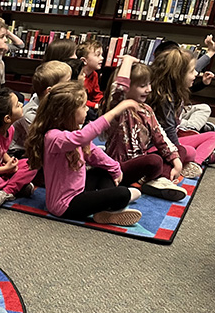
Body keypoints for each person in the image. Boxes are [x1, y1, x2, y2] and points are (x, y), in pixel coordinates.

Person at [26, 82, 142, 226]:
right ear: (67, 113)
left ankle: (109, 208)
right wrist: (114, 112)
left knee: (103, 171)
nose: (87, 109)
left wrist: (115, 168)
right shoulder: (53, 137)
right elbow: (83, 137)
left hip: (79, 191)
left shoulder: (72, 132)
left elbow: (94, 153)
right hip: (64, 206)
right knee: (123, 193)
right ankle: (115, 204)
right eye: (83, 106)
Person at [102, 54, 189, 201]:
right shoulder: (118, 109)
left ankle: (156, 181)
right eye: (142, 86)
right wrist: (128, 61)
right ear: (128, 87)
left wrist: (176, 160)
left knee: (179, 150)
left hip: (140, 162)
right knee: (154, 161)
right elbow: (118, 89)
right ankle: (156, 180)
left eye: (149, 84)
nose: (149, 90)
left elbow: (160, 136)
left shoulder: (146, 109)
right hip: (120, 167)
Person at [148, 48, 215, 169]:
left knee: (213, 136)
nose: (196, 74)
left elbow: (196, 66)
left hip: (172, 137)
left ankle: (194, 163)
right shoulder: (165, 99)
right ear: (179, 75)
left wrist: (210, 53)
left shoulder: (173, 87)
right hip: (157, 146)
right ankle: (197, 159)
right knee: (190, 151)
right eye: (192, 71)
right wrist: (177, 156)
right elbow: (169, 132)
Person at [8, 60, 72, 158]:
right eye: (67, 83)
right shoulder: (30, 113)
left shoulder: (54, 104)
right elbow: (44, 142)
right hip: (18, 152)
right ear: (49, 91)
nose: (71, 87)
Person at [76, 40, 105, 117]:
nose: (102, 58)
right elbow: (78, 98)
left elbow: (96, 94)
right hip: (80, 105)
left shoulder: (94, 74)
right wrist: (94, 105)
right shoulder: (78, 76)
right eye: (97, 55)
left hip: (90, 105)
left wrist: (103, 103)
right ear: (84, 60)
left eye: (101, 55)